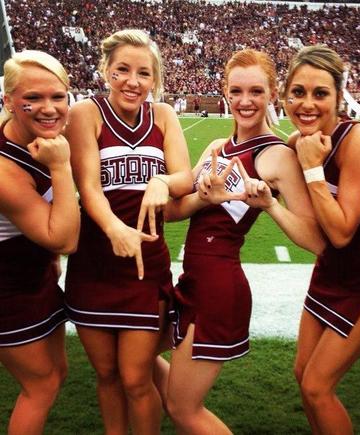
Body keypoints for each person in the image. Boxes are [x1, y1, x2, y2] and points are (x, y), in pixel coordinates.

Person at [165, 48, 325, 434]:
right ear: (224, 91)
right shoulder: (217, 148)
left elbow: (316, 240)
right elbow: (173, 211)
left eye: (256, 91)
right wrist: (203, 196)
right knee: (134, 366)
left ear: (272, 92)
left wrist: (270, 205)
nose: (245, 101)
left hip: (220, 287)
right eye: (236, 91)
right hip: (192, 279)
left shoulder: (276, 156)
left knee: (183, 409)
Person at [64, 29, 192, 434]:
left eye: (143, 73)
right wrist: (114, 228)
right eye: (122, 70)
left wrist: (163, 183)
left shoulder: (165, 115)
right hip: (95, 262)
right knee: (107, 376)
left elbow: (185, 176)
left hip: (145, 265)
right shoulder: (86, 113)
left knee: (136, 379)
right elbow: (89, 187)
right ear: (105, 70)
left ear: (154, 79)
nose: (132, 82)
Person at [284, 45, 360, 434]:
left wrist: (312, 169)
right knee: (302, 374)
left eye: (320, 94)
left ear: (339, 98)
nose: (307, 103)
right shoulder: (300, 140)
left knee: (318, 387)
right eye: (298, 92)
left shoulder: (359, 140)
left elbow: (339, 233)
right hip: (330, 273)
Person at [0, 50, 80, 434]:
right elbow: (64, 238)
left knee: (56, 372)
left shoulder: (39, 138)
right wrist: (62, 166)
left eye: (58, 96)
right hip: (8, 289)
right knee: (40, 384)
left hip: (35, 279)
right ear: (9, 102)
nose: (49, 108)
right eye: (33, 98)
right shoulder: (4, 168)